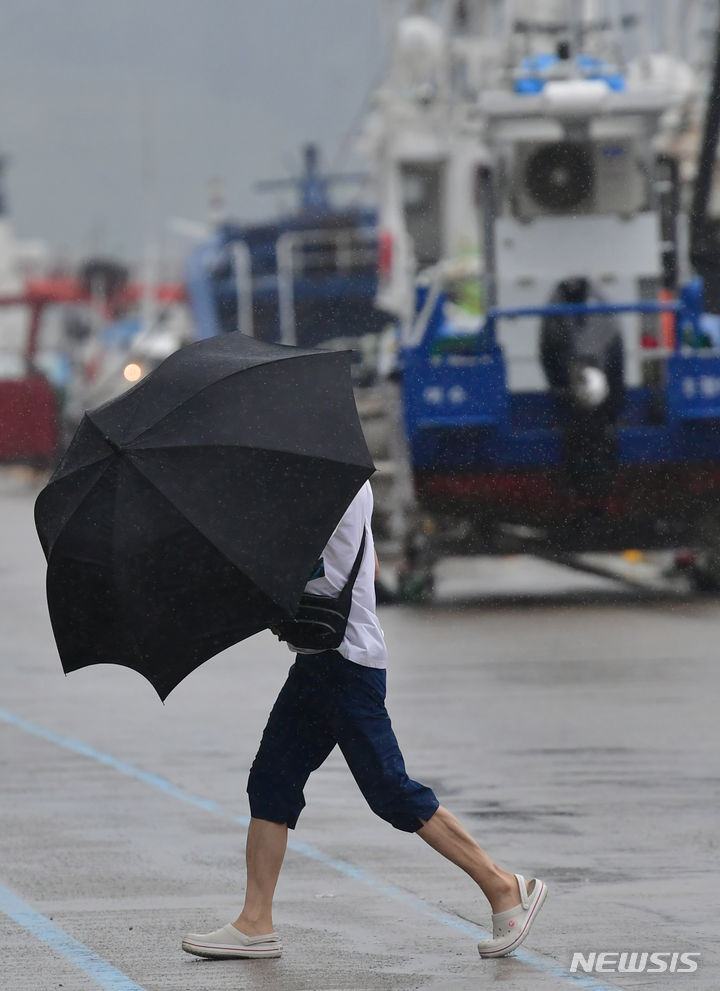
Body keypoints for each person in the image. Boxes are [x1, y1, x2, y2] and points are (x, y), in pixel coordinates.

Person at [181, 481, 547, 961]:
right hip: (317, 663)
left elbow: (293, 563)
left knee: (391, 792)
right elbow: (363, 568)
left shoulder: (329, 485)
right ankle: (255, 923)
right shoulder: (319, 478)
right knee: (271, 781)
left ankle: (504, 888)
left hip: (348, 667)